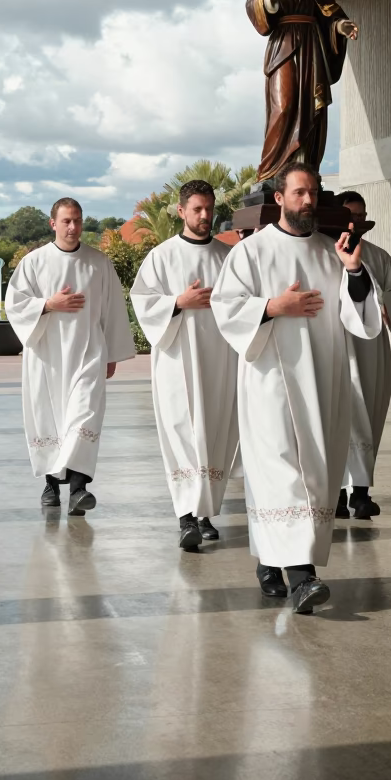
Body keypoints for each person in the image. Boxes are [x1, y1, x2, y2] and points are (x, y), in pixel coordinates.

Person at [211, 162, 382, 614]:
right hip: (269, 385)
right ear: (280, 198)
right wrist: (272, 306)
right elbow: (225, 308)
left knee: (316, 479)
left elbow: (360, 321)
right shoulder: (250, 253)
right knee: (283, 477)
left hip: (322, 383)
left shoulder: (334, 252)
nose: (308, 201)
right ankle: (303, 577)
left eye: (313, 192)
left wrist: (356, 272)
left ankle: (272, 560)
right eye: (299, 193)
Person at [5, 197, 135, 515]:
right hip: (47, 358)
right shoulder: (34, 263)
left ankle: (79, 488)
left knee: (83, 416)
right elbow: (14, 304)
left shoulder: (98, 263)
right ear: (53, 224)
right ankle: (51, 486)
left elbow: (113, 311)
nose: (73, 227)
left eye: (77, 220)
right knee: (50, 418)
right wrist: (49, 305)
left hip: (88, 354)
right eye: (66, 221)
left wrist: (112, 354)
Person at [131, 180, 239, 551]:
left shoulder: (228, 258)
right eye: (197, 209)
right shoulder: (162, 257)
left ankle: (205, 513)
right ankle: (186, 517)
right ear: (180, 212)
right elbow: (143, 300)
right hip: (177, 361)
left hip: (221, 361)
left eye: (209, 208)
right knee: (181, 432)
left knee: (214, 434)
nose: (205, 216)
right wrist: (179, 301)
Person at [246, 0, 359, 182]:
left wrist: (340, 26)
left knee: (311, 109)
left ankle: (305, 169)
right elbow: (253, 4)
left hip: (312, 47)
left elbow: (329, 11)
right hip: (284, 43)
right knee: (284, 105)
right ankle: (272, 172)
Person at [334, 191, 391, 519]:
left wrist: (381, 304)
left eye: (361, 215)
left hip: (372, 349)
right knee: (338, 418)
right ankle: (335, 494)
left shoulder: (378, 256)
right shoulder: (327, 253)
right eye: (349, 215)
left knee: (369, 413)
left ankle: (361, 494)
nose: (356, 221)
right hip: (339, 346)